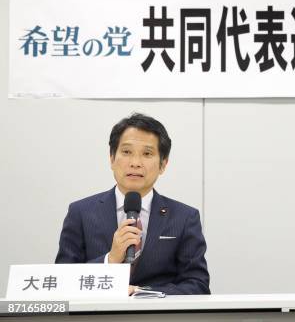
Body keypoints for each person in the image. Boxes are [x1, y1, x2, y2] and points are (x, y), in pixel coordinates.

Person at [56, 113, 210, 295]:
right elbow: (61, 281)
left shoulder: (184, 217)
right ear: (112, 158)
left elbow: (198, 286)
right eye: (127, 152)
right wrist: (110, 260)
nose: (135, 163)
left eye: (147, 154)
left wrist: (142, 293)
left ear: (163, 164)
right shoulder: (81, 212)